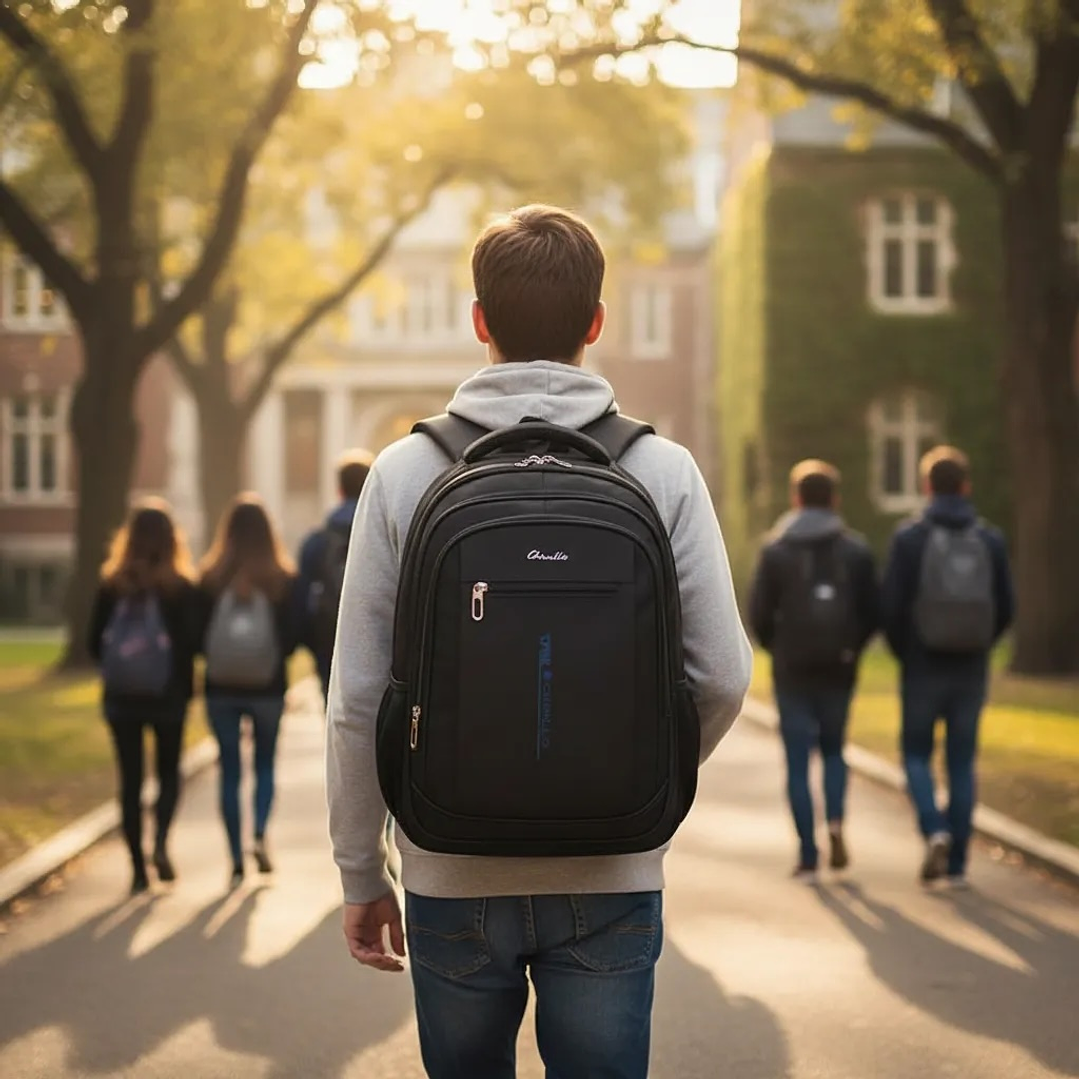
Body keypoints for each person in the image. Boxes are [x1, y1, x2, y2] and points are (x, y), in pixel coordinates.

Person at [326, 204, 752, 1079]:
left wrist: (359, 867)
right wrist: (639, 772)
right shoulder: (660, 470)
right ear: (595, 323)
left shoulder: (406, 474)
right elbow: (721, 673)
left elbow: (359, 697)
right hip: (613, 864)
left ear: (478, 322)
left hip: (450, 863)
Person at [882, 446, 1013, 887]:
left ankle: (933, 828)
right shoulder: (990, 539)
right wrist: (979, 645)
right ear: (966, 486)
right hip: (970, 667)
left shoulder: (910, 538)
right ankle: (957, 864)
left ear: (926, 487)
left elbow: (893, 608)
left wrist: (909, 651)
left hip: (922, 665)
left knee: (916, 755)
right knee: (961, 761)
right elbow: (1005, 607)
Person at [748, 460, 879, 880]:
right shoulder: (855, 550)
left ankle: (807, 852)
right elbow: (873, 611)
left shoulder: (776, 550)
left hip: (792, 669)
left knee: (797, 761)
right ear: (835, 499)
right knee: (835, 750)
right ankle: (837, 824)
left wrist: (779, 648)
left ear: (796, 498)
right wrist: (851, 648)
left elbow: (758, 615)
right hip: (838, 668)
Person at [88, 499, 202, 895]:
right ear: (172, 539)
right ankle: (161, 844)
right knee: (169, 772)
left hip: (122, 698)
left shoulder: (112, 583)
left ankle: (136, 867)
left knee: (131, 779)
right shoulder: (181, 586)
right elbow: (193, 643)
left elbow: (93, 644)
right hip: (169, 696)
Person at [199, 494, 301, 889]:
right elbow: (291, 637)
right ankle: (259, 831)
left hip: (220, 688)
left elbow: (196, 637)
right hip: (268, 688)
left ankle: (234, 857)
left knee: (229, 770)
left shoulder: (210, 578)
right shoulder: (281, 578)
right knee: (263, 765)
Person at [297, 449, 374, 701]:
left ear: (339, 490)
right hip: (374, 634)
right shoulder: (382, 536)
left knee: (331, 701)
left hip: (327, 633)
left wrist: (311, 639)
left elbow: (301, 593)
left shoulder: (317, 540)